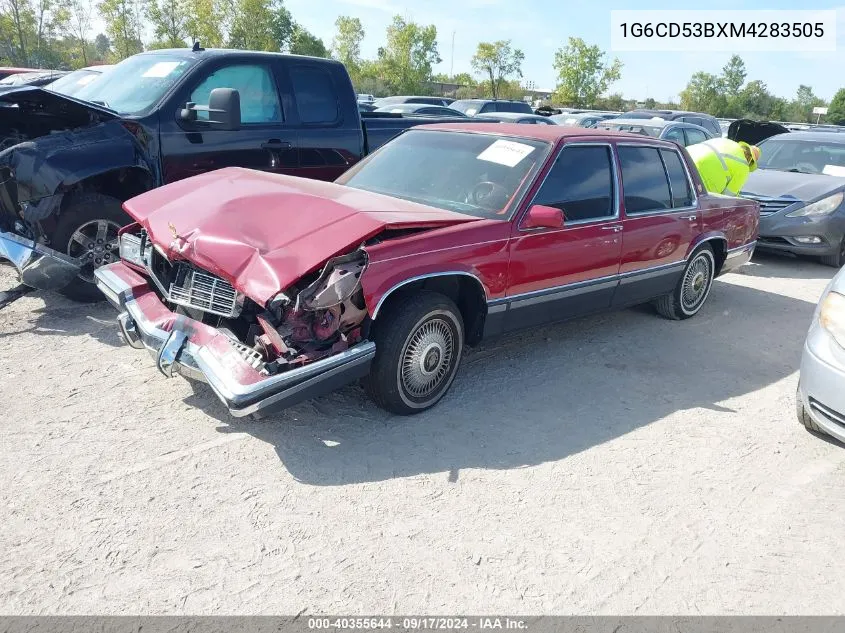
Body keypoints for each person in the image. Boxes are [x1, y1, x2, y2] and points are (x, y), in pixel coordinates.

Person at [685, 138, 761, 196]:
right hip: (702, 179)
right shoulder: (744, 167)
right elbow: (729, 195)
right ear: (750, 160)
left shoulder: (728, 142)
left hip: (684, 157)